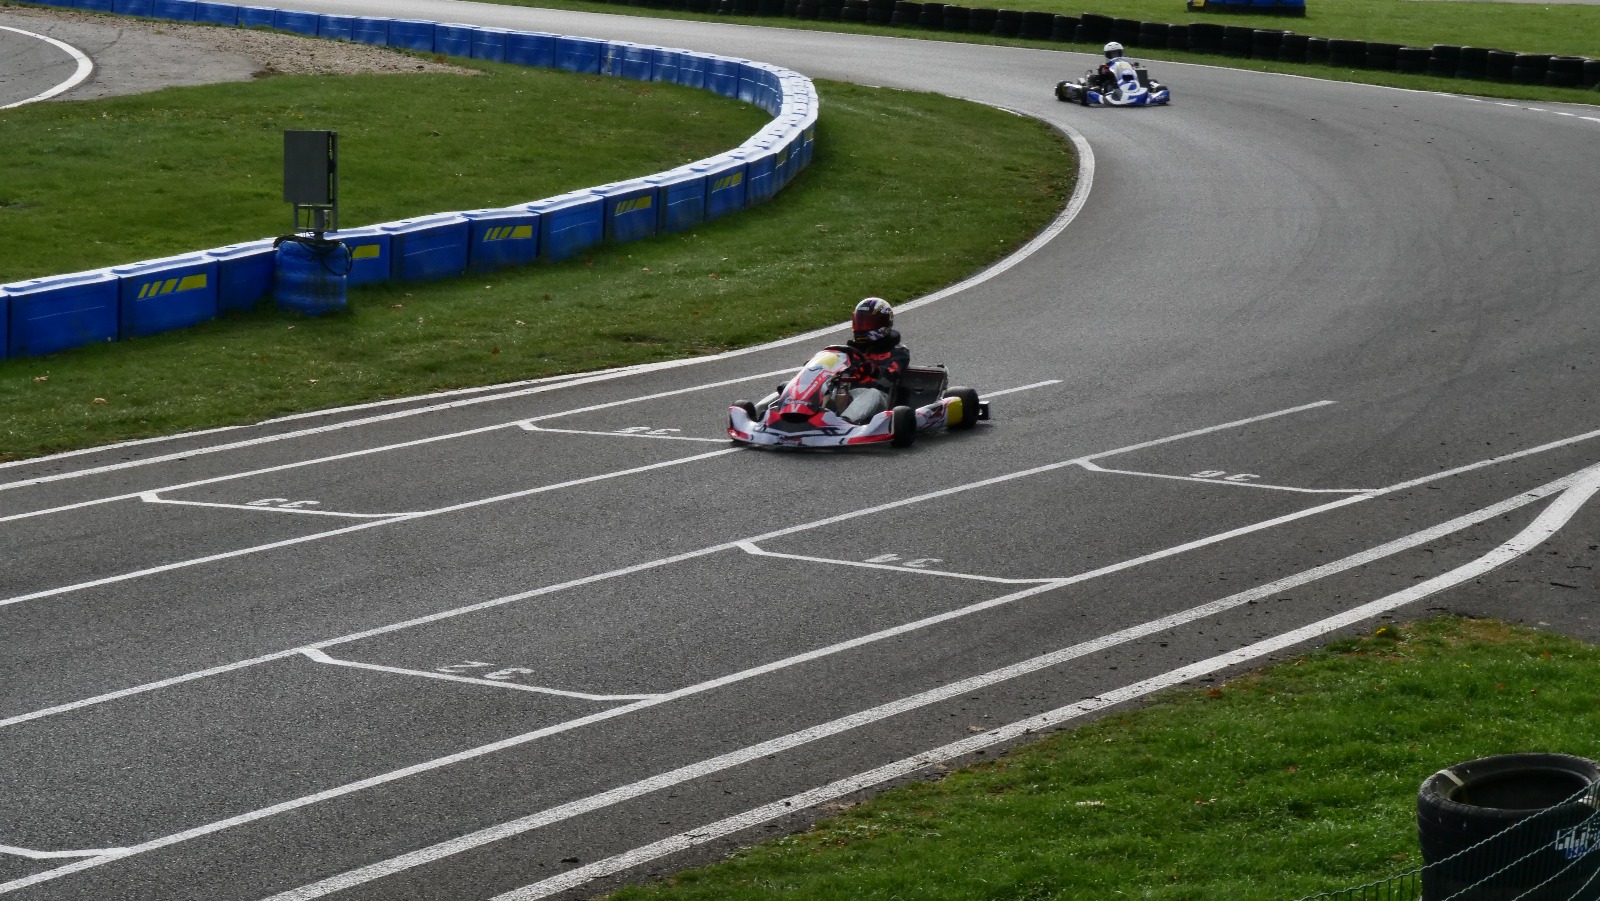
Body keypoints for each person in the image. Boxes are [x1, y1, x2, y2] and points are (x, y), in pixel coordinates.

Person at [839, 297, 910, 424]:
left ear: (884, 324)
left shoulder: (898, 351)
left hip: (881, 400)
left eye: (867, 323)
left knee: (872, 393)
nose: (862, 327)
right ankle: (798, 416)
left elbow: (891, 377)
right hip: (848, 395)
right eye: (860, 321)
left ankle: (844, 424)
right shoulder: (850, 350)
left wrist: (873, 370)